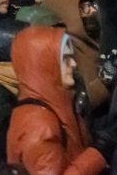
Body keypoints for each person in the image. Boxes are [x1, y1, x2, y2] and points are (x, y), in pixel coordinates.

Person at [7, 25, 110, 174]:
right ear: (45, 65)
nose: (73, 64)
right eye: (65, 59)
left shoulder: (57, 102)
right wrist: (98, 152)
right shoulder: (37, 125)